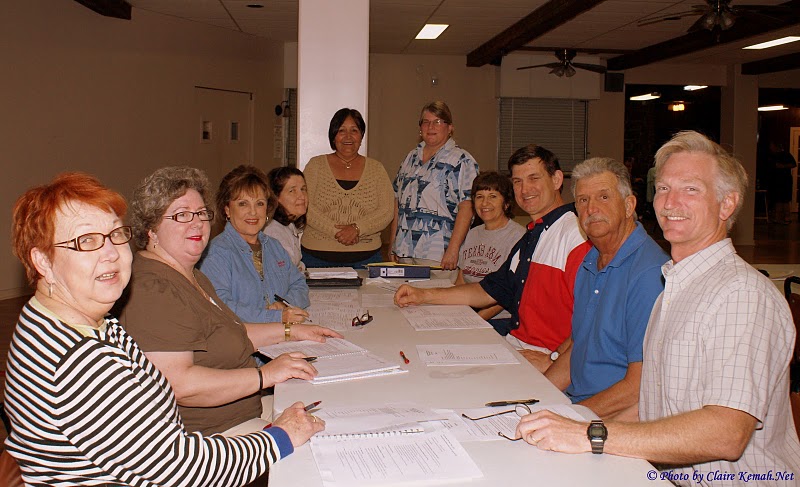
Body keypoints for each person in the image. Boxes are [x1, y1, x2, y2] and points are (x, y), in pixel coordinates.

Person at [516, 131, 800, 485]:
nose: (670, 202)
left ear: (727, 205)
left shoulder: (740, 294)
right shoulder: (676, 286)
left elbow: (727, 433)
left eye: (690, 189)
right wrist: (569, 424)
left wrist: (590, 434)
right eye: (664, 188)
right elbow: (653, 407)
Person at [5, 173, 324, 486]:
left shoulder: (78, 323)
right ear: (43, 262)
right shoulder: (78, 360)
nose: (110, 254)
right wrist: (278, 438)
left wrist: (288, 334)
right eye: (86, 241)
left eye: (116, 235)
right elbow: (178, 467)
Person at [120, 166, 341, 435]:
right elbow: (180, 385)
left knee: (339, 407)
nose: (197, 223)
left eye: (201, 213)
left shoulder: (192, 276)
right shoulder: (152, 288)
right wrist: (266, 375)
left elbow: (232, 331)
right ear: (151, 228)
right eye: (181, 215)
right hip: (212, 437)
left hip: (244, 412)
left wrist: (290, 331)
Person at [395, 144, 591, 372]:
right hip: (515, 347)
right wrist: (423, 295)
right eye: (517, 181)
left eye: (533, 178)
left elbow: (592, 317)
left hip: (544, 359)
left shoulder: (577, 235)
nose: (525, 189)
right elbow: (487, 290)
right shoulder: (533, 236)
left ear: (557, 180)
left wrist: (554, 360)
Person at [544, 157, 668, 419]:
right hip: (576, 405)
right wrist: (537, 398)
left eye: (603, 197)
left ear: (628, 205)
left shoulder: (649, 274)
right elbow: (579, 348)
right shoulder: (590, 262)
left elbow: (638, 388)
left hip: (611, 417)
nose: (591, 209)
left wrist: (567, 418)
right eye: (583, 200)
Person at [199, 165, 310, 325]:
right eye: (243, 204)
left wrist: (285, 305)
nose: (253, 212)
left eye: (259, 204)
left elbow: (299, 284)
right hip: (241, 341)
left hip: (279, 335)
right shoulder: (215, 253)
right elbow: (220, 306)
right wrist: (274, 316)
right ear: (227, 210)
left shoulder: (274, 246)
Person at [391, 101, 480, 270]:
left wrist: (453, 250)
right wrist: (394, 244)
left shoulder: (462, 161)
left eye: (438, 121)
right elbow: (398, 202)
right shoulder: (410, 158)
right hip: (405, 251)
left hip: (438, 254)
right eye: (426, 122)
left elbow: (467, 207)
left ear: (450, 128)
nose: (430, 126)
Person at [302, 108, 394, 268]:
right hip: (316, 259)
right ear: (333, 135)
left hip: (367, 260)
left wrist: (358, 229)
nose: (348, 137)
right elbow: (304, 205)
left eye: (354, 130)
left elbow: (387, 210)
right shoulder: (315, 166)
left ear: (361, 135)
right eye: (341, 131)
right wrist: (339, 232)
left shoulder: (376, 169)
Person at [455, 171, 525, 320]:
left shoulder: (518, 236)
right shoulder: (473, 233)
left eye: (493, 197)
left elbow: (506, 293)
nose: (485, 203)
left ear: (506, 203)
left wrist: (474, 320)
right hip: (468, 311)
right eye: (479, 197)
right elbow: (461, 278)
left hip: (498, 318)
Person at [265, 166, 307, 271]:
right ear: (276, 197)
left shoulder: (289, 226)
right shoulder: (273, 232)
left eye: (303, 189)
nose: (302, 196)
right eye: (292, 191)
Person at [767, 141, 797, 224]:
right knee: (777, 200)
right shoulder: (772, 156)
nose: (771, 148)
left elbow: (794, 164)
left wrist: (783, 166)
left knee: (785, 200)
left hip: (785, 181)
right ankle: (777, 218)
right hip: (775, 181)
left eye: (772, 146)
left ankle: (787, 217)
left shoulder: (786, 155)